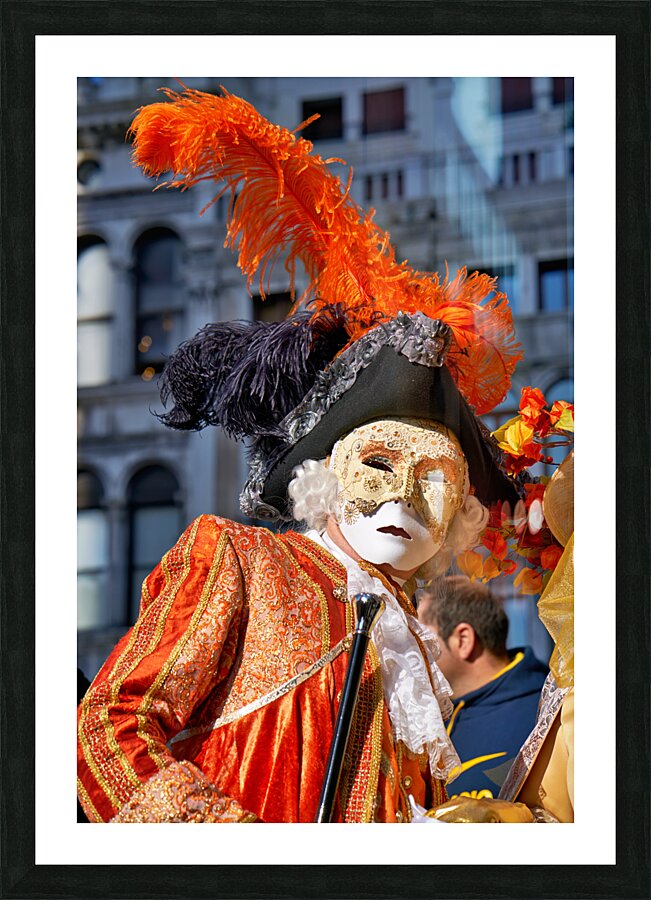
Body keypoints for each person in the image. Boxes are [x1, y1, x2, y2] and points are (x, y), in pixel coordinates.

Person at [77, 87, 525, 823]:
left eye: (434, 484)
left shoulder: (412, 627)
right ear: (327, 476)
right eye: (379, 467)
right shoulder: (242, 565)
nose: (400, 502)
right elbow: (108, 729)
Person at [418, 577, 548, 799]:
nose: (412, 649)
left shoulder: (547, 713)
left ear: (463, 640)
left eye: (422, 637)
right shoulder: (428, 715)